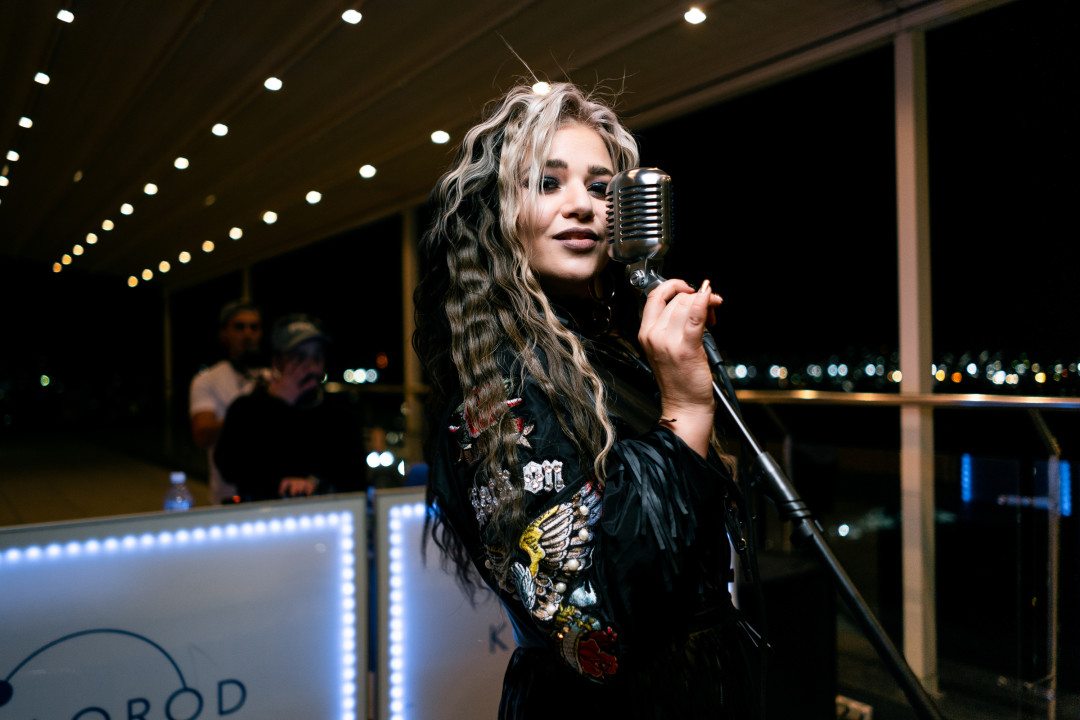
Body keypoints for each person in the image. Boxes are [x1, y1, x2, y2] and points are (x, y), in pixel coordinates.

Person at [414, 82, 761, 718]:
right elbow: (599, 630)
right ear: (498, 214)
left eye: (602, 189)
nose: (582, 206)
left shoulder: (619, 350)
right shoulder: (502, 390)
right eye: (546, 184)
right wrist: (685, 409)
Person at [214, 314, 367, 502]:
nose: (310, 366)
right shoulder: (247, 409)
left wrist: (315, 481)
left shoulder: (340, 414)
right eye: (299, 357)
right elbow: (231, 467)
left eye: (317, 356)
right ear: (277, 361)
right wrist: (281, 404)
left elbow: (354, 476)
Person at [189, 299, 266, 505]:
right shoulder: (207, 379)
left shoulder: (274, 378)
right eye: (239, 327)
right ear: (225, 333)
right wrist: (246, 412)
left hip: (270, 493)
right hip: (226, 494)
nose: (247, 334)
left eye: (254, 327)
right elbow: (202, 435)